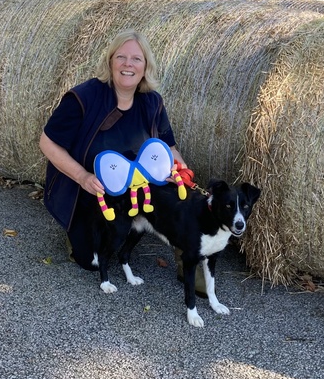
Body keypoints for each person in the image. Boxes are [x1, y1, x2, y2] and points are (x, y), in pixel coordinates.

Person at [39, 29, 206, 294]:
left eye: (136, 59)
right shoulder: (83, 98)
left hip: (139, 188)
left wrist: (181, 174)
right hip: (92, 191)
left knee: (180, 193)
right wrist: (82, 177)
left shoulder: (152, 102)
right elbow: (47, 142)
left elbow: (169, 147)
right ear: (110, 62)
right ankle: (79, 232)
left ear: (145, 67)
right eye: (121, 57)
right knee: (89, 261)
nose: (128, 64)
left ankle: (192, 259)